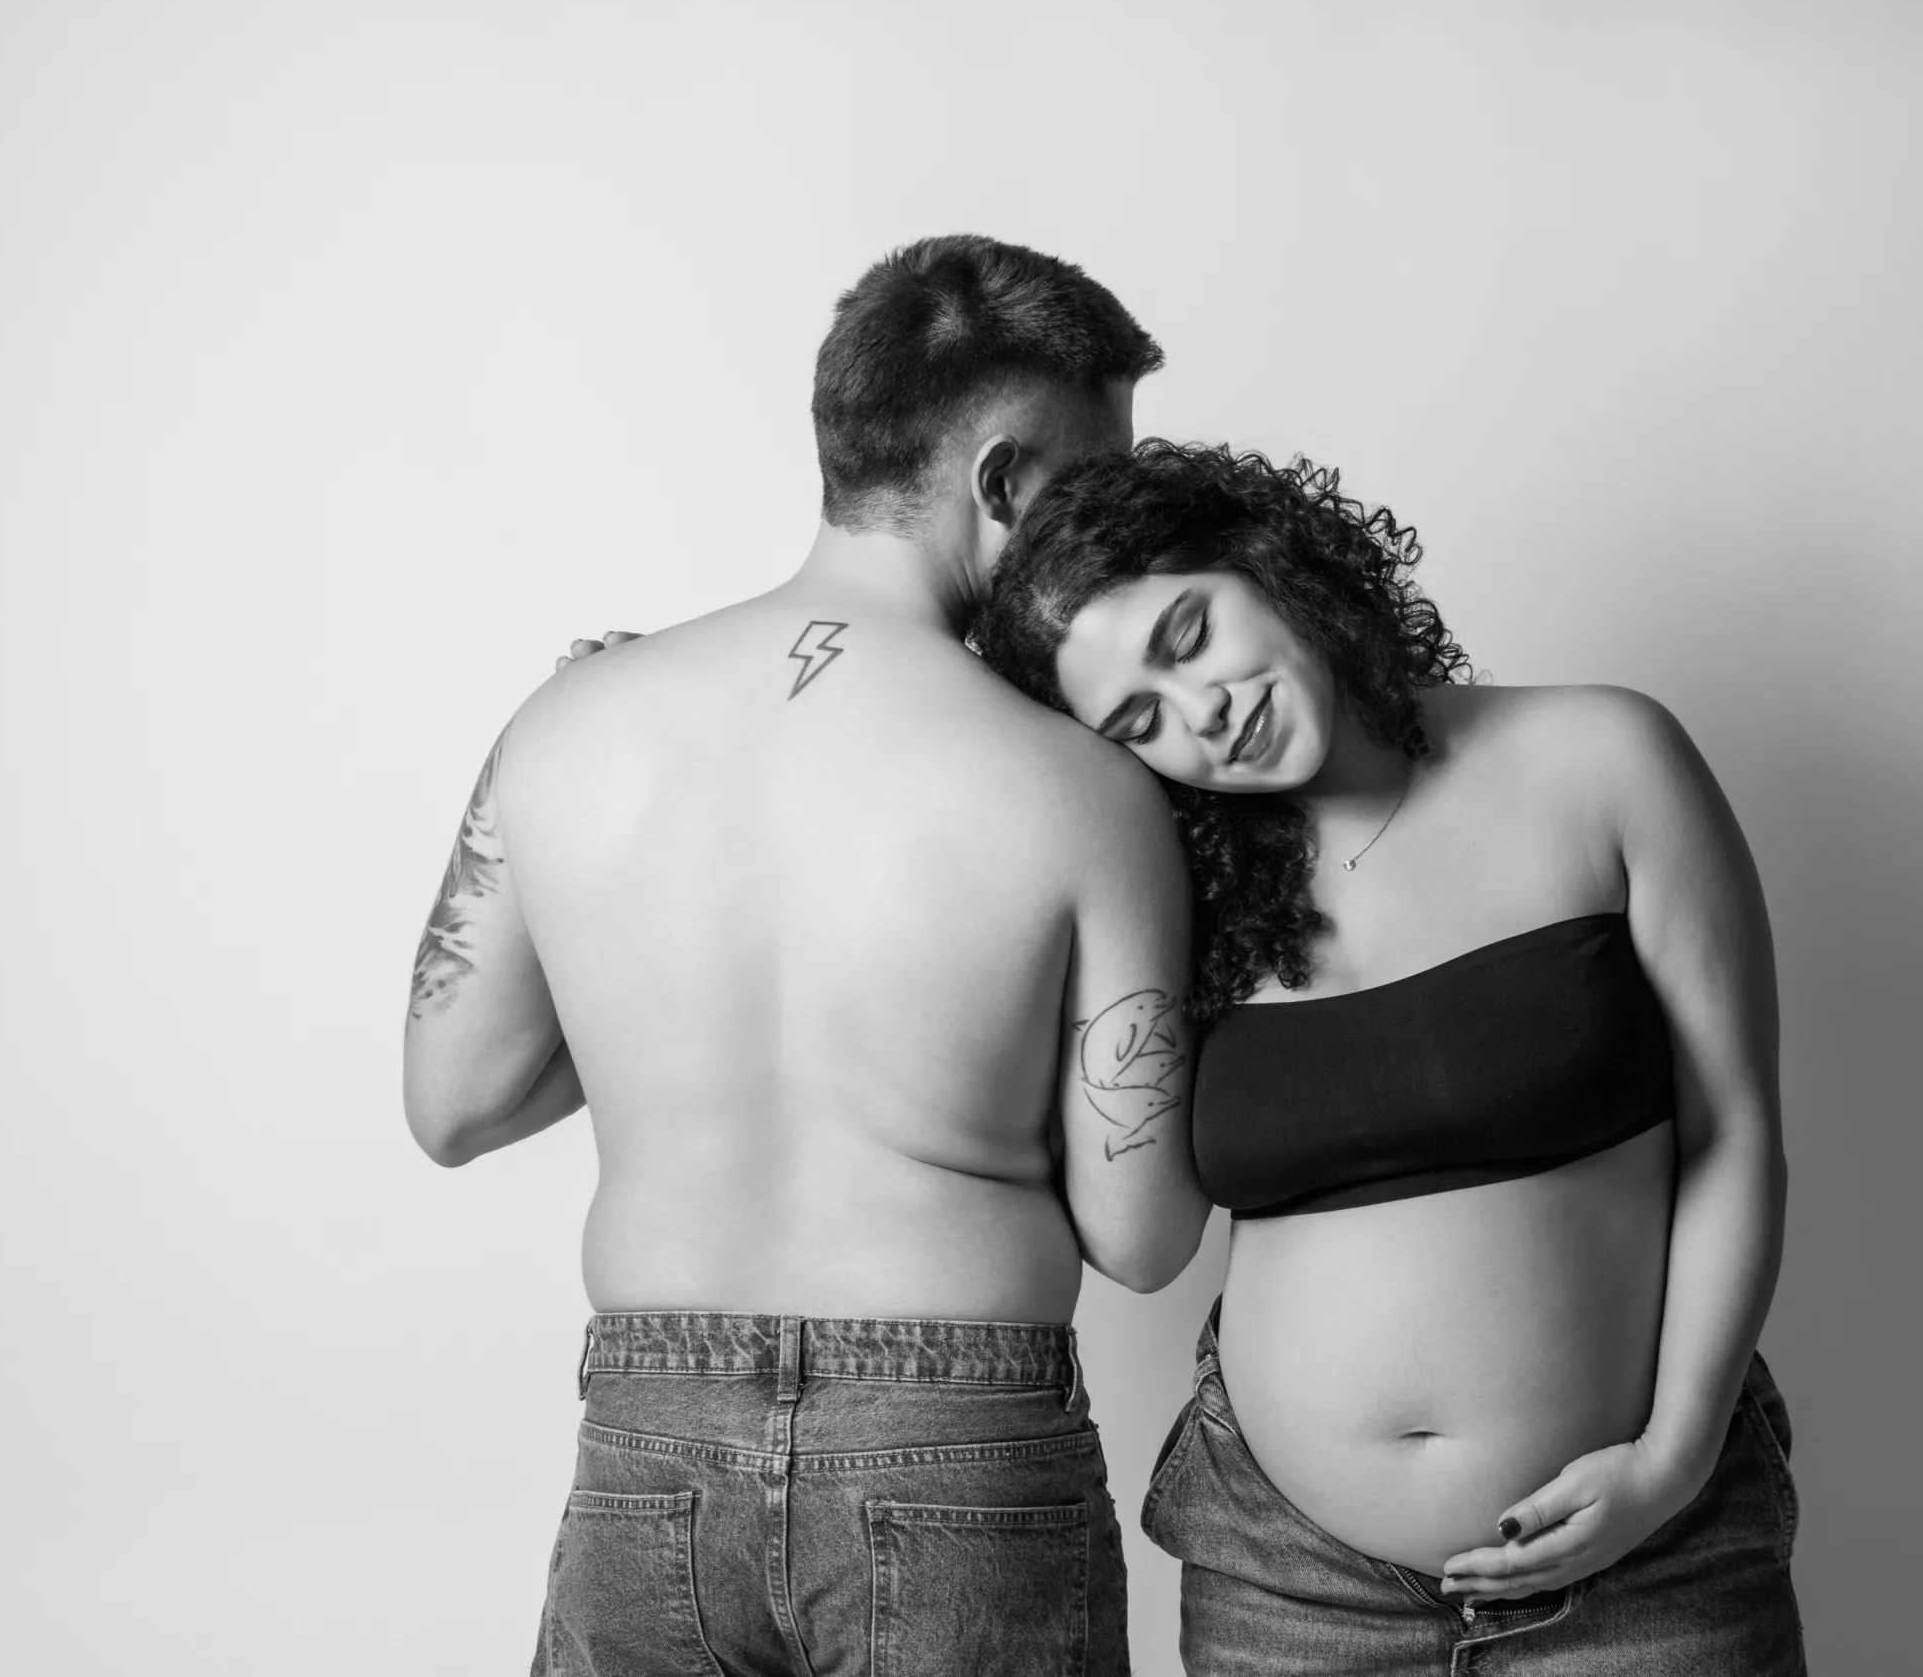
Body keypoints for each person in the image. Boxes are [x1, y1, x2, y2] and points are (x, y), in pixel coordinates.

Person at [401, 236, 1210, 1677]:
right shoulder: (1083, 786)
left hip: (650, 1439)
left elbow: (454, 1102)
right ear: (1003, 479)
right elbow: (1143, 1241)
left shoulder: (569, 724)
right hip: (961, 1447)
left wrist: (654, 1005)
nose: (1117, 539)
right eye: (1094, 487)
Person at [974, 442, 1805, 1674]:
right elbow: (1142, 1245)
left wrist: (1670, 1459)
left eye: (1187, 635)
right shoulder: (1171, 897)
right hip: (1288, 1588)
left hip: (1645, 1561)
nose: (1202, 714)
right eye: (1140, 722)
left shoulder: (1600, 758)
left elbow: (1732, 1134)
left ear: (1265, 557)